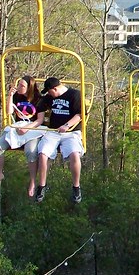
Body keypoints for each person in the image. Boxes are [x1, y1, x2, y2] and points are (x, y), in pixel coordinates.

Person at [31, 76, 84, 204]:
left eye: (49, 92)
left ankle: (76, 187)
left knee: (74, 154)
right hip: (53, 132)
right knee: (43, 153)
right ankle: (42, 186)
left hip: (71, 132)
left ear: (55, 89)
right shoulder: (50, 97)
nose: (49, 94)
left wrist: (67, 126)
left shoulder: (75, 95)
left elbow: (79, 114)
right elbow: (39, 105)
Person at [0, 75, 42, 196]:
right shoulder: (17, 97)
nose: (19, 87)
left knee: (31, 151)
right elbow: (9, 112)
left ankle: (33, 181)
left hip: (32, 128)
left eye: (22, 86)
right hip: (17, 126)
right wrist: (10, 96)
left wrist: (26, 128)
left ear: (29, 88)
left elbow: (39, 120)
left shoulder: (38, 99)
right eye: (19, 85)